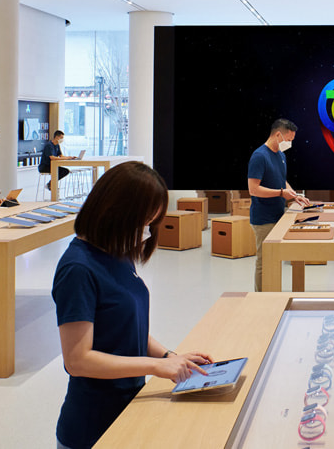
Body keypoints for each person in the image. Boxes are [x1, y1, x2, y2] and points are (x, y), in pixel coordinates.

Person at [52, 161, 213, 449]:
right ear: (116, 213)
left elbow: (127, 326)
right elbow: (77, 360)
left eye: (151, 223)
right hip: (92, 425)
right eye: (143, 222)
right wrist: (156, 367)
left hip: (130, 408)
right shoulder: (78, 269)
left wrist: (170, 357)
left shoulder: (116, 253)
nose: (147, 231)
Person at [247, 119, 310, 291]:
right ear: (277, 135)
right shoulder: (259, 156)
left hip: (278, 214)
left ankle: (273, 292)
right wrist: (281, 193)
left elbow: (282, 180)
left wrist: (294, 195)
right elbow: (253, 189)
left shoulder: (281, 155)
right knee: (264, 260)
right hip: (263, 218)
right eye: (288, 139)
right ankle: (261, 297)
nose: (290, 143)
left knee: (276, 258)